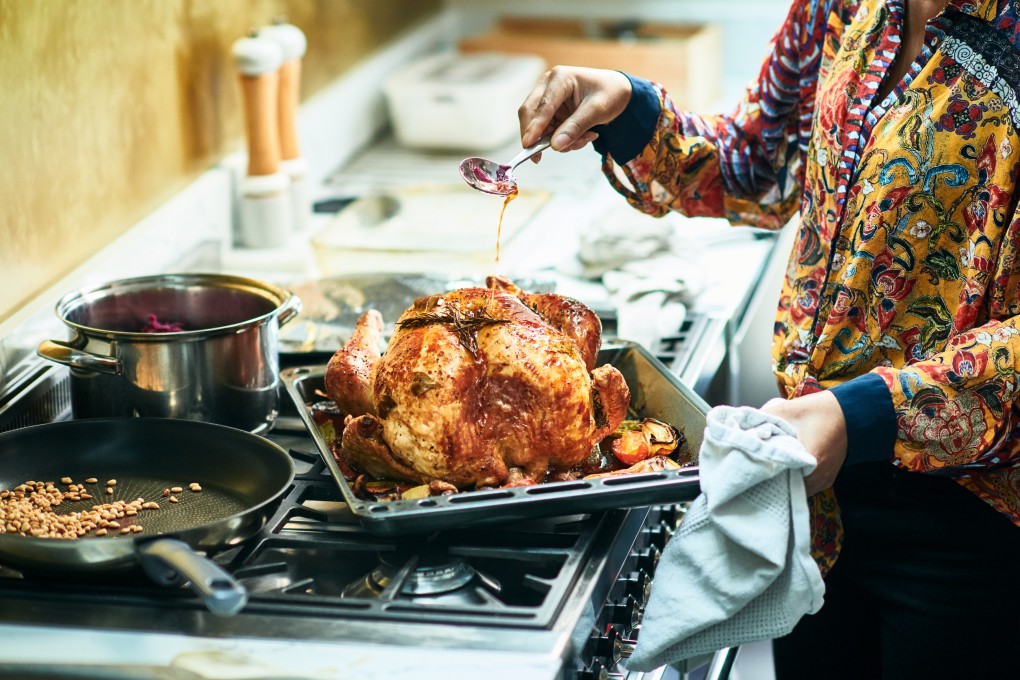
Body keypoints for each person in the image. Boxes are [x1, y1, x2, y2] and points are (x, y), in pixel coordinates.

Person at [517, 0, 1020, 677]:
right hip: (812, 500)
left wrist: (865, 415)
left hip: (972, 525)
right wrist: (629, 108)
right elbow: (766, 159)